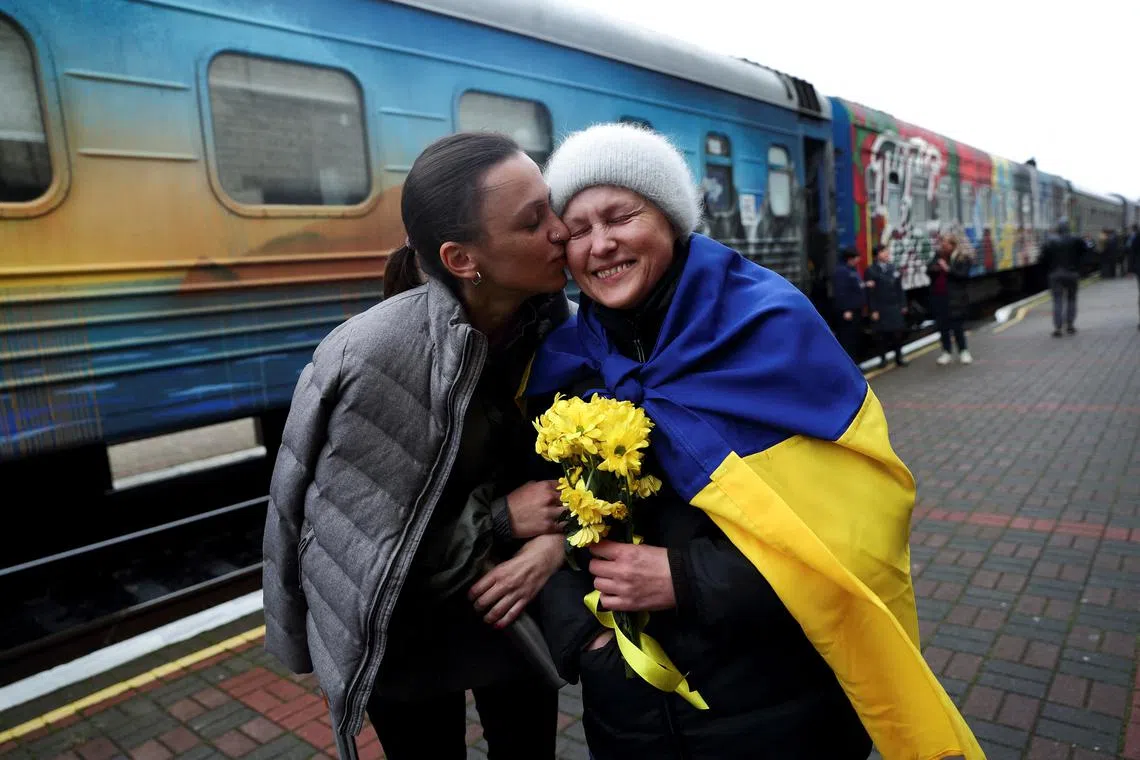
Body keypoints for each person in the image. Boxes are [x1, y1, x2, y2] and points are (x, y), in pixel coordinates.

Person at [524, 123, 983, 760]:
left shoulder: (768, 325)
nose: (600, 245)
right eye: (577, 230)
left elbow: (864, 531)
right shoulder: (564, 359)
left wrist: (685, 578)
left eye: (621, 216)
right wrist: (586, 642)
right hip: (630, 716)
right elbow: (529, 512)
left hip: (780, 703)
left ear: (672, 220)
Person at [262, 132, 575, 760]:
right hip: (404, 629)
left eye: (552, 204)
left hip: (510, 609)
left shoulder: (561, 326)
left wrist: (555, 543)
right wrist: (498, 520)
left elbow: (594, 474)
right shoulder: (371, 355)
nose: (563, 231)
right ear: (463, 259)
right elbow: (347, 546)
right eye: (532, 221)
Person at [927, 232, 973, 364]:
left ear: (953, 245)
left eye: (946, 244)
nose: (943, 246)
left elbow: (963, 275)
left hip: (955, 298)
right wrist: (935, 268)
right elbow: (928, 269)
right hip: (939, 297)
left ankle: (963, 351)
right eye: (942, 243)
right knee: (943, 326)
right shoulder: (938, 256)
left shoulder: (962, 258)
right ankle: (946, 352)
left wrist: (947, 269)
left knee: (957, 326)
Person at [864, 242, 909, 367]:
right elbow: (870, 293)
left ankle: (899, 357)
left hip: (894, 306)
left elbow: (900, 288)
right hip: (881, 307)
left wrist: (903, 304)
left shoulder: (893, 268)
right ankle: (883, 359)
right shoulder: (871, 270)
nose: (887, 254)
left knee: (897, 333)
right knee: (881, 335)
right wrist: (873, 310)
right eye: (884, 252)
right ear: (877, 255)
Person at [1040, 218, 1083, 337]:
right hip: (1072, 274)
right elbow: (1084, 253)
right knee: (1071, 299)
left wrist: (1049, 270)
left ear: (1058, 229)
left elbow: (1042, 258)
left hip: (1055, 274)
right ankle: (1070, 326)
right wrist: (1078, 267)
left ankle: (1058, 328)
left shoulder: (1050, 241)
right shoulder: (1076, 240)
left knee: (1057, 301)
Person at [832, 247, 865, 361]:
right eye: (856, 257)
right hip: (848, 311)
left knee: (854, 338)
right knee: (847, 339)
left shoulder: (852, 270)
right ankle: (850, 364)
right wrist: (846, 310)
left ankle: (854, 363)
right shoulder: (842, 271)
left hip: (855, 309)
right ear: (850, 258)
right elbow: (841, 292)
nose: (858, 260)